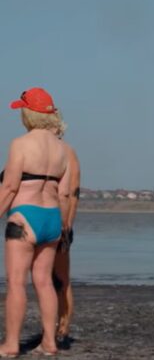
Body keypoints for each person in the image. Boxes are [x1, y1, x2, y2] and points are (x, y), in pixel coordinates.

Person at [0, 87, 70, 357]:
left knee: (17, 282)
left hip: (24, 217)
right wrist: (63, 227)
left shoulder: (20, 144)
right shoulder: (63, 149)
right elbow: (64, 193)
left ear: (28, 114)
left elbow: (8, 188)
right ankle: (50, 343)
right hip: (52, 218)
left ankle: (11, 344)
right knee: (44, 281)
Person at [54, 136, 79, 342]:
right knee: (49, 279)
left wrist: (67, 224)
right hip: (48, 218)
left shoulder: (67, 152)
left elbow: (73, 192)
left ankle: (63, 325)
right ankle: (57, 324)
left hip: (61, 223)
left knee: (61, 279)